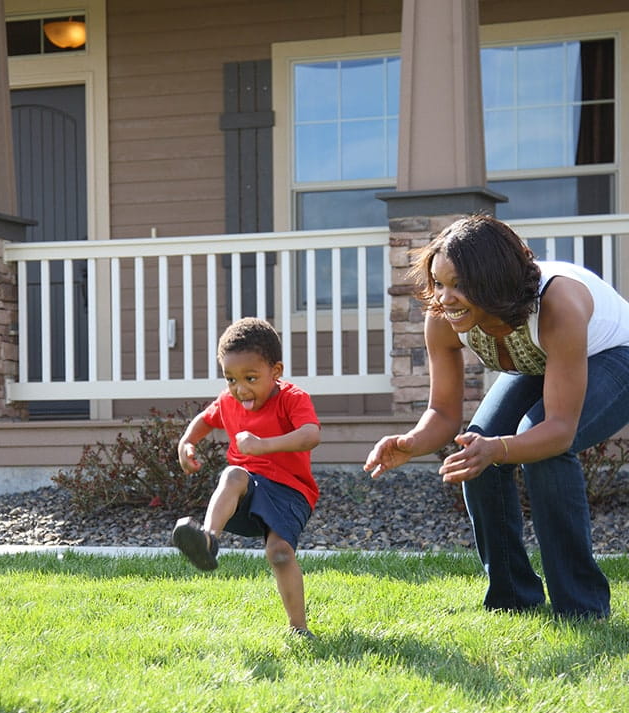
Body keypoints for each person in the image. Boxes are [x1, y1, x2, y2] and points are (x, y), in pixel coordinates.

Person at [364, 214, 629, 620]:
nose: (445, 297)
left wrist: (504, 448)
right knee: (477, 446)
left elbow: (558, 431)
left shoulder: (558, 305)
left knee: (539, 444)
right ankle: (513, 600)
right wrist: (411, 443)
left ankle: (582, 608)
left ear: (494, 280)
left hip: (615, 357)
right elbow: (443, 412)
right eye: (439, 282)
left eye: (459, 285)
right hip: (542, 361)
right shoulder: (444, 317)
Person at [171, 317, 322, 637]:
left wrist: (264, 445)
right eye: (230, 379)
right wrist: (187, 441)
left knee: (279, 554)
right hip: (248, 488)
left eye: (250, 378)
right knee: (234, 474)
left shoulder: (292, 398)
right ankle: (209, 539)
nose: (240, 389)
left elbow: (310, 435)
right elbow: (205, 418)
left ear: (276, 372)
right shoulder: (229, 400)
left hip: (290, 492)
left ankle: (299, 628)